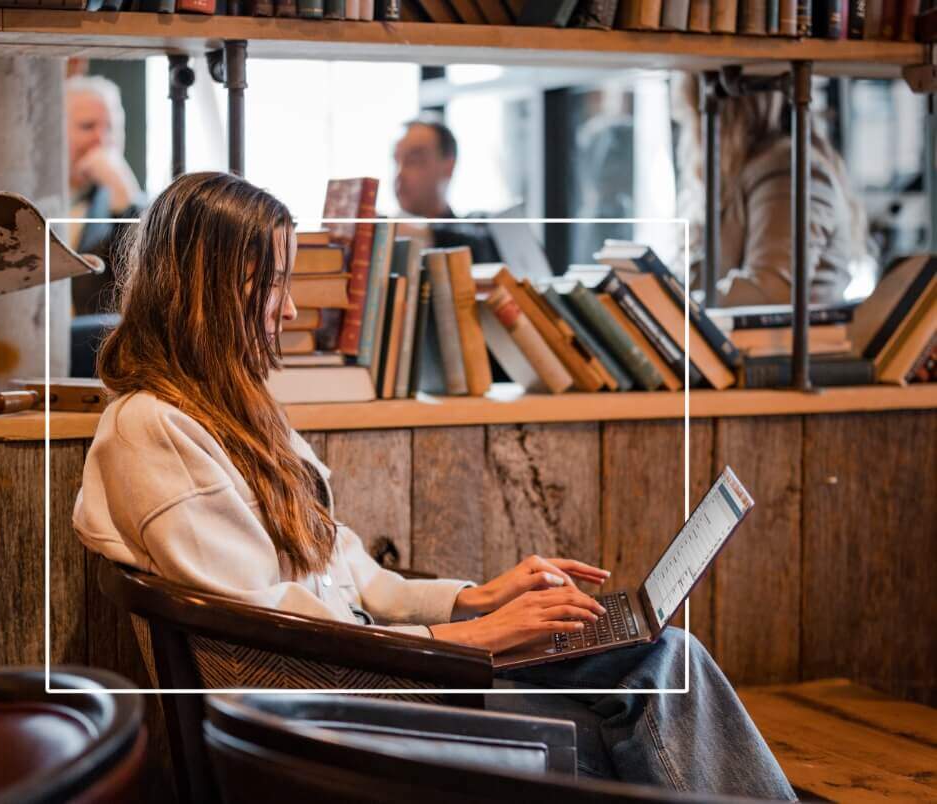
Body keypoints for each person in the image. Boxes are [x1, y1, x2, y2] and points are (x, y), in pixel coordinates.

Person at [72, 172, 795, 801]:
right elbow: (262, 637)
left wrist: (470, 599)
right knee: (636, 702)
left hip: (378, 673)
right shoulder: (152, 427)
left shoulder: (231, 406)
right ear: (205, 292)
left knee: (662, 656)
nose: (290, 311)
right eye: (272, 285)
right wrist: (464, 641)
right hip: (327, 718)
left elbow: (337, 564)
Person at [674, 73, 871, 307]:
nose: (691, 135)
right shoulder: (752, 170)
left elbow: (770, 290)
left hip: (777, 343)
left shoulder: (785, 169)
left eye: (693, 117)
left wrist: (672, 308)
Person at [66, 74, 146, 316]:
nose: (102, 140)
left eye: (110, 128)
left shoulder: (124, 205)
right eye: (88, 126)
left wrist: (126, 201)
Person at [392, 116, 501, 264]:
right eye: (396, 161)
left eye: (413, 161)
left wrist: (420, 233)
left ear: (448, 166)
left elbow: (485, 249)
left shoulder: (479, 225)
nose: (400, 174)